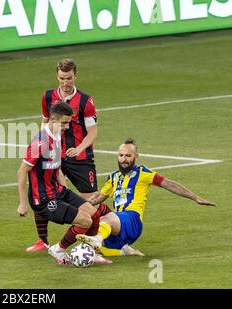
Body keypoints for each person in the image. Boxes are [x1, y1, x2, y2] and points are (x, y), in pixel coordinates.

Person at [77, 138, 215, 257]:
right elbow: (100, 197)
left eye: (128, 156)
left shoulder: (143, 173)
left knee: (105, 218)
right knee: (95, 233)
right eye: (121, 155)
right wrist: (79, 205)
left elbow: (169, 184)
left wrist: (195, 197)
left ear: (136, 157)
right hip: (118, 225)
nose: (124, 159)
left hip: (132, 220)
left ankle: (97, 238)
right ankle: (124, 251)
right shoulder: (113, 177)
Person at [26, 58, 107, 253]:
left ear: (75, 76)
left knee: (91, 202)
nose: (65, 82)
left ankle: (102, 233)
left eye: (69, 78)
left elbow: (93, 132)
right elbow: (45, 121)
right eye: (62, 78)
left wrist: (79, 149)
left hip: (80, 158)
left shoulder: (86, 101)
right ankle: (43, 241)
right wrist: (43, 142)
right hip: (55, 154)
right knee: (43, 192)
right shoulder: (47, 97)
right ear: (57, 76)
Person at [17, 102, 111, 265]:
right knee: (85, 221)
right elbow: (22, 171)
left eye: (69, 123)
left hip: (58, 191)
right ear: (52, 120)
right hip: (44, 199)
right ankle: (58, 249)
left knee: (94, 214)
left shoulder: (57, 136)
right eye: (64, 123)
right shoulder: (40, 142)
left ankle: (91, 252)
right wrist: (23, 203)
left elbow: (56, 167)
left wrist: (66, 192)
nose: (67, 127)